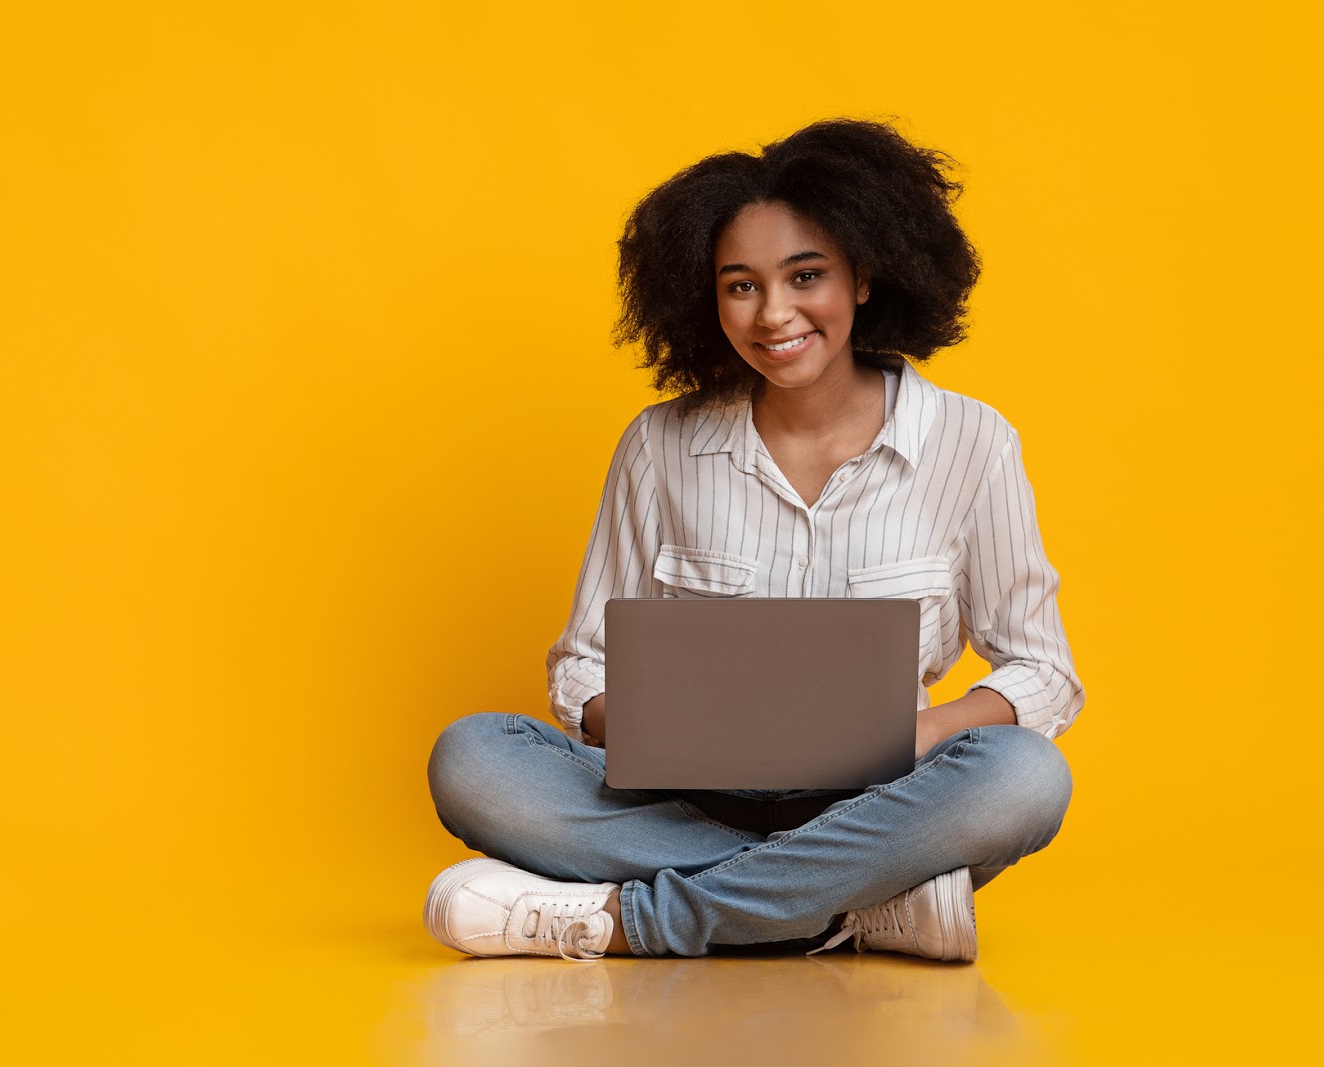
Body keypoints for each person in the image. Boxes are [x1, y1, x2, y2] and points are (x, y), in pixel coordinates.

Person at [424, 119, 1085, 963]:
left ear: (865, 276)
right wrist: (639, 724)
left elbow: (1043, 669)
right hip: (683, 799)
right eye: (741, 286)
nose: (775, 314)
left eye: (806, 276)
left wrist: (916, 736)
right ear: (708, 298)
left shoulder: (972, 442)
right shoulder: (659, 444)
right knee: (474, 757)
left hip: (884, 800)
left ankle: (630, 921)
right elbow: (583, 665)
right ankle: (855, 902)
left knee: (1025, 778)